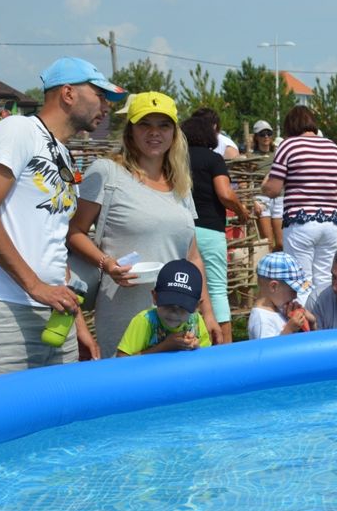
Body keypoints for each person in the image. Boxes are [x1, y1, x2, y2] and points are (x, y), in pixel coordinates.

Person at [0, 57, 124, 380]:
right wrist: (35, 286)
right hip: (3, 309)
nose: (106, 107)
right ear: (68, 93)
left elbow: (53, 240)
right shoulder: (17, 130)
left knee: (56, 425)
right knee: (3, 424)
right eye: (100, 96)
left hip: (52, 314)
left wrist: (75, 319)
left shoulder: (62, 152)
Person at [68, 91, 222, 359]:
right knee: (125, 390)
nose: (155, 133)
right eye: (145, 125)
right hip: (124, 309)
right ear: (130, 131)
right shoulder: (107, 173)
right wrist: (107, 263)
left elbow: (193, 256)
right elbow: (74, 232)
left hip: (179, 313)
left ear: (174, 133)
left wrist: (207, 312)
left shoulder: (181, 185)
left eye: (163, 125)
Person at [180, 114, 251, 345]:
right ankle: (224, 345)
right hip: (210, 230)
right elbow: (224, 193)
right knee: (217, 289)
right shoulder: (213, 159)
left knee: (184, 288)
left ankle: (189, 339)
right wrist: (241, 211)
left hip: (181, 230)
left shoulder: (174, 159)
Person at [261, 105, 337, 290]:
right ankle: (325, 318)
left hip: (300, 222)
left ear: (291, 126)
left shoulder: (288, 145)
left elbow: (273, 189)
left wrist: (263, 187)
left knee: (302, 281)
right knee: (324, 280)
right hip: (330, 223)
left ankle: (305, 319)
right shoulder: (333, 147)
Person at [116, 259, 212, 357]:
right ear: (155, 297)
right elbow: (121, 360)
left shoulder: (196, 321)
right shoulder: (145, 321)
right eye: (168, 304)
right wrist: (164, 347)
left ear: (196, 306)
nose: (174, 313)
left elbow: (207, 358)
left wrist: (197, 348)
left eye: (182, 306)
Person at [248, 252, 315, 339]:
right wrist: (289, 329)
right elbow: (267, 351)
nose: (295, 296)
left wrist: (312, 322)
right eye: (293, 291)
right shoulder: (262, 319)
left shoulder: (279, 309)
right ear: (274, 286)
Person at [250, 119, 283, 252]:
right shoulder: (251, 157)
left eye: (268, 133)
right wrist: (253, 201)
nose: (266, 137)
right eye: (262, 134)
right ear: (256, 137)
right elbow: (246, 182)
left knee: (281, 243)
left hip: (279, 197)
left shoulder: (279, 154)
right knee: (267, 242)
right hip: (261, 199)